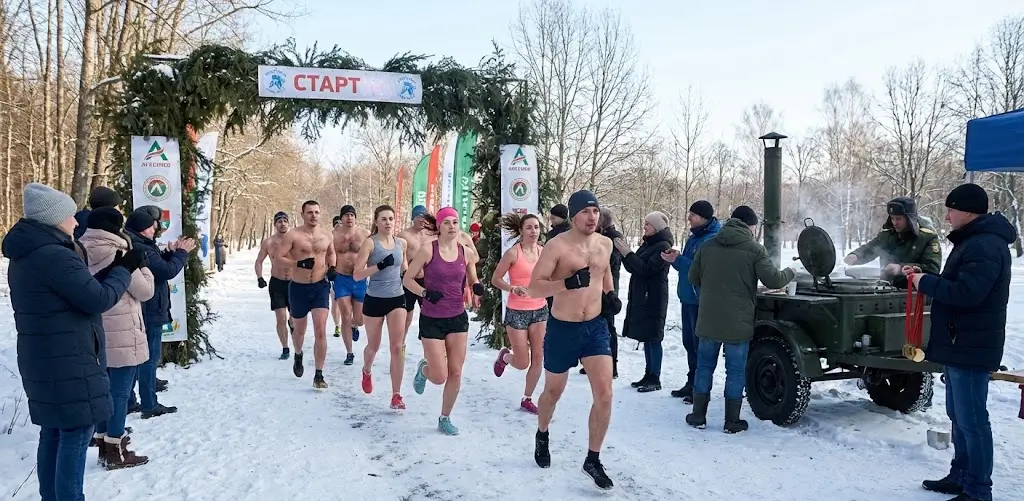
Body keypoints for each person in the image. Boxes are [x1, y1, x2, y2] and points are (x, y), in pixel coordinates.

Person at [2, 183, 139, 499]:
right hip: (68, 359)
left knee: (53, 433)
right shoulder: (54, 256)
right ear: (53, 219)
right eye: (69, 215)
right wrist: (124, 269)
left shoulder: (30, 253)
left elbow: (80, 291)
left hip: (45, 357)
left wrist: (113, 270)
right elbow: (97, 299)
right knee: (76, 433)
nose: (77, 221)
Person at [914, 184, 1014, 501]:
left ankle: (978, 490)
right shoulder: (973, 242)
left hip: (972, 346)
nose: (947, 216)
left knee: (972, 422)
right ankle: (961, 475)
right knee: (959, 418)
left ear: (968, 211)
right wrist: (923, 276)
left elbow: (967, 293)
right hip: (961, 343)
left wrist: (925, 282)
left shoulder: (984, 246)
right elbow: (959, 285)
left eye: (951, 209)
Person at [528, 190, 617, 490]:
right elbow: (534, 288)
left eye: (595, 211)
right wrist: (566, 283)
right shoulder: (557, 246)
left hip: (595, 328)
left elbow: (604, 274)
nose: (592, 217)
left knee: (605, 393)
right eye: (586, 212)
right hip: (563, 328)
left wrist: (610, 295)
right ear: (573, 215)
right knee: (553, 391)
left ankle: (592, 458)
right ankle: (542, 434)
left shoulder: (604, 243)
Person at [685, 206, 795, 433]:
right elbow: (774, 280)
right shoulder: (755, 249)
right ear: (750, 226)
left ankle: (698, 415)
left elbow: (693, 276)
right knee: (734, 371)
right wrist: (790, 273)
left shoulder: (707, 245)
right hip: (738, 322)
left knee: (704, 367)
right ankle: (731, 421)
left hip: (708, 320)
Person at [79, 207, 155, 469]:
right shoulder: (119, 252)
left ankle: (102, 442)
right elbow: (145, 291)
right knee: (120, 392)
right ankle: (116, 449)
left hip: (94, 330)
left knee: (102, 391)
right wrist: (143, 266)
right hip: (123, 329)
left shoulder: (79, 248)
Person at [406, 207, 485, 434]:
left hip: (457, 317)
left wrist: (477, 287)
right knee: (439, 376)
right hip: (432, 317)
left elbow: (472, 279)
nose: (452, 226)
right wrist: (424, 293)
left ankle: (445, 417)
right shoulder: (427, 250)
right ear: (439, 227)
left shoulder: (466, 252)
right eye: (447, 222)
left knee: (456, 372)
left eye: (455, 221)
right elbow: (408, 280)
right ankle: (424, 370)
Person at [124, 208, 192, 419]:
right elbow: (165, 271)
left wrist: (170, 254)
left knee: (137, 357)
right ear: (143, 229)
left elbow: (158, 265)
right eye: (151, 226)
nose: (155, 229)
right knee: (148, 358)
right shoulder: (141, 247)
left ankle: (130, 401)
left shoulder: (137, 243)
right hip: (150, 308)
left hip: (145, 307)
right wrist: (181, 254)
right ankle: (149, 404)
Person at [661, 200, 721, 402]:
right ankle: (691, 382)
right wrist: (677, 258)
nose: (689, 218)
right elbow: (688, 266)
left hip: (700, 300)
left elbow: (699, 269)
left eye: (692, 215)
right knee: (689, 343)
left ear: (703, 217)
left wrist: (677, 260)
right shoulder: (695, 237)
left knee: (698, 345)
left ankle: (700, 388)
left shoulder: (711, 239)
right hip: (688, 298)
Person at [490, 213, 548, 414]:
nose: (534, 231)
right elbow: (495, 279)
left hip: (539, 309)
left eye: (536, 227)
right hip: (517, 311)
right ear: (522, 231)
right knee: (523, 362)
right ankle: (505, 357)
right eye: (529, 227)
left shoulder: (543, 252)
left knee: (538, 356)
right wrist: (512, 288)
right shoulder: (513, 253)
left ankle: (527, 398)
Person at [276, 201, 337, 389]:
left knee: (320, 329)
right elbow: (279, 258)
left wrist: (332, 267)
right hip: (298, 288)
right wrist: (297, 264)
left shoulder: (327, 235)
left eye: (317, 212)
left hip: (320, 287)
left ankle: (319, 374)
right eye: (309, 212)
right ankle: (298, 353)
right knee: (300, 331)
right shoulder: (293, 235)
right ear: (302, 214)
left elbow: (331, 254)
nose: (314, 215)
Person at [353, 205, 410, 409]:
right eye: (383, 219)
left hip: (397, 298)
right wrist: (379, 266)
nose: (388, 222)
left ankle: (396, 395)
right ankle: (367, 370)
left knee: (397, 346)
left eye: (391, 219)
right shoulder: (370, 244)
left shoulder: (401, 243)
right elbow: (357, 274)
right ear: (376, 222)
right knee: (373, 346)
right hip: (375, 299)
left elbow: (404, 270)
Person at [614, 211, 673, 393]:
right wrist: (625, 255)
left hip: (654, 297)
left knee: (654, 337)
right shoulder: (649, 243)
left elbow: (647, 269)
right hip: (644, 295)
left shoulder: (663, 246)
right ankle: (648, 374)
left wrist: (628, 253)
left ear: (656, 227)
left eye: (647, 224)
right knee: (647, 336)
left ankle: (655, 377)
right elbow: (634, 266)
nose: (644, 226)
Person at [844, 196, 941, 289]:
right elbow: (870, 249)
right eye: (892, 218)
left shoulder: (927, 237)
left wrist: (901, 268)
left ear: (909, 218)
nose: (895, 223)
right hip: (887, 289)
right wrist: (856, 256)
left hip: (915, 294)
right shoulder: (887, 236)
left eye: (898, 219)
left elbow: (932, 268)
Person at [331, 205, 370, 364]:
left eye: (352, 215)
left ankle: (355, 325)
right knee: (345, 316)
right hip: (341, 279)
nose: (349, 218)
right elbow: (326, 254)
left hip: (359, 279)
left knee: (360, 319)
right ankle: (349, 353)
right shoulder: (333, 235)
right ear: (341, 218)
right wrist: (329, 269)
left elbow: (375, 251)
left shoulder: (365, 234)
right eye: (346, 215)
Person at [256, 211, 295, 360]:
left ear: (288, 223)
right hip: (277, 283)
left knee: (294, 318)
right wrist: (260, 277)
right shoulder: (269, 242)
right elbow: (259, 261)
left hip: (294, 283)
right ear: (275, 224)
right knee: (280, 317)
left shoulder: (295, 240)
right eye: (279, 221)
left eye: (285, 220)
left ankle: (293, 330)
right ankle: (285, 348)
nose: (283, 223)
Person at [398, 205, 434, 356]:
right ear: (413, 218)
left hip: (427, 280)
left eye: (424, 217)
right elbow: (400, 257)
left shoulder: (432, 235)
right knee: (407, 316)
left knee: (429, 314)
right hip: (409, 280)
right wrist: (405, 272)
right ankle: (401, 344)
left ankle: (429, 345)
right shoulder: (404, 235)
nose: (422, 220)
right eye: (419, 217)